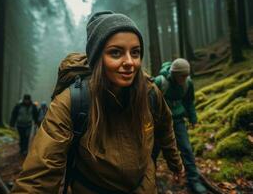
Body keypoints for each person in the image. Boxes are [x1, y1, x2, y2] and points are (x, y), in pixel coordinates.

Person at [11, 11, 184, 194]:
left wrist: (176, 163)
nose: (129, 62)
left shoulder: (150, 94)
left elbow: (165, 128)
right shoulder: (72, 102)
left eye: (135, 52)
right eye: (115, 53)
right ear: (97, 58)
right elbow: (38, 177)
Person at [153, 58, 207, 194]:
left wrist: (193, 118)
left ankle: (194, 180)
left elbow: (189, 102)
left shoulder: (188, 83)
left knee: (187, 149)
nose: (184, 78)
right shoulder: (160, 82)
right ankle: (150, 179)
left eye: (186, 75)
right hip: (158, 123)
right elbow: (149, 101)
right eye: (182, 75)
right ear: (174, 73)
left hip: (178, 121)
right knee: (152, 151)